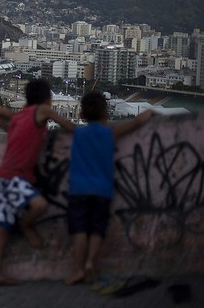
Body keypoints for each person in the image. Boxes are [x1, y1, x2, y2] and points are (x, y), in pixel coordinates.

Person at [0, 78, 75, 287]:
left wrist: (10, 127)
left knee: (2, 228)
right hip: (15, 177)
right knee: (40, 205)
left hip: (5, 174)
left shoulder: (20, 117)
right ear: (47, 98)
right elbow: (68, 126)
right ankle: (26, 225)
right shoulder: (42, 111)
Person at [65, 91, 155, 285]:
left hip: (78, 189)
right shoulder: (110, 133)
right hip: (102, 189)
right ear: (105, 112)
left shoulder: (78, 133)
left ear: (82, 114)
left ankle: (79, 269)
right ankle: (90, 263)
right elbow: (138, 122)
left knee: (79, 230)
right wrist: (153, 113)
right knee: (98, 229)